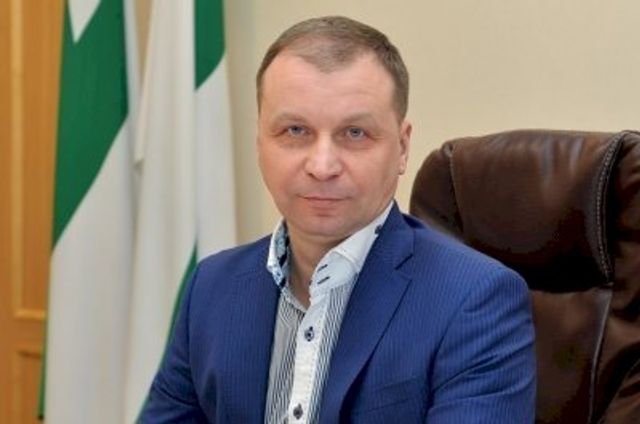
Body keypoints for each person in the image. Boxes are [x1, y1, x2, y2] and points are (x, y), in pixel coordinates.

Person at [141, 16, 536, 423]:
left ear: (402, 148)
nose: (322, 166)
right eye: (295, 130)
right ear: (260, 143)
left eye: (355, 133)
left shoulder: (475, 299)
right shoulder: (212, 288)